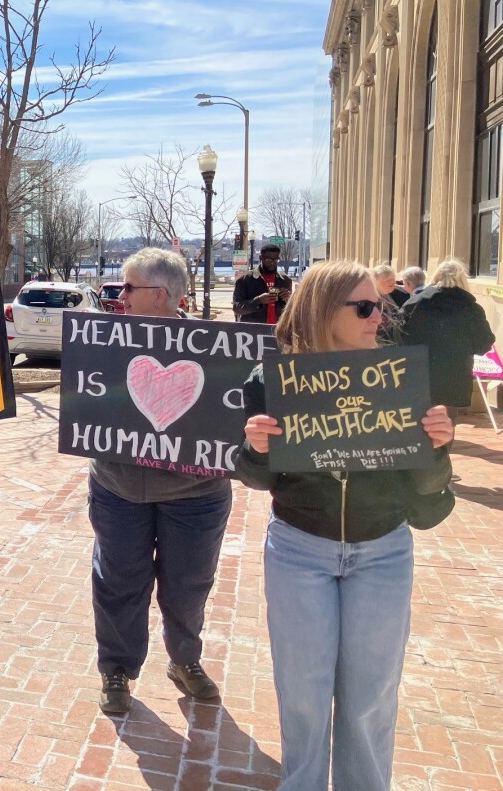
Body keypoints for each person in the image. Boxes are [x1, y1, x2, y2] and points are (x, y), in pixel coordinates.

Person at [234, 261, 454, 791]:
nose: (379, 316)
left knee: (371, 697)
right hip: (299, 550)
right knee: (303, 693)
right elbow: (261, 479)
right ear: (321, 310)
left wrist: (437, 449)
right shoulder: (273, 381)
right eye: (364, 307)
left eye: (380, 305)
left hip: (382, 551)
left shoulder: (400, 380)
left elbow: (426, 500)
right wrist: (257, 448)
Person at [88, 248, 233, 714]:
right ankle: (116, 669)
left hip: (196, 496)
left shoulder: (214, 350)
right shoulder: (105, 342)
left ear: (161, 295)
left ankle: (185, 660)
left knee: (189, 585)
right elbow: (88, 402)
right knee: (118, 581)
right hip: (119, 489)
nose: (120, 295)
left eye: (129, 287)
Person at [400, 258, 495, 411]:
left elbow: (398, 336)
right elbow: (484, 343)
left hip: (419, 374)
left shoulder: (414, 303)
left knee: (418, 425)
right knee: (447, 425)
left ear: (436, 277)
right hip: (455, 377)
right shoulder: (472, 308)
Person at [233, 244, 292, 324]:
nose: (272, 263)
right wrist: (258, 300)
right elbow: (237, 308)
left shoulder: (285, 280)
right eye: (269, 260)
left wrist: (289, 300)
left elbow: (292, 310)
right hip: (254, 331)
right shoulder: (245, 280)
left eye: (276, 260)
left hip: (278, 329)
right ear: (261, 258)